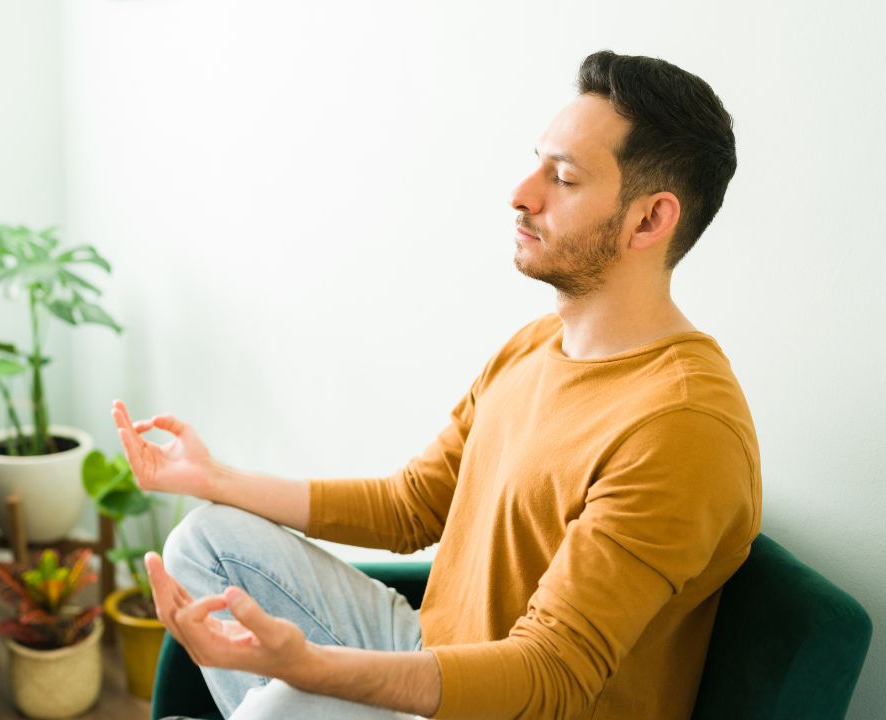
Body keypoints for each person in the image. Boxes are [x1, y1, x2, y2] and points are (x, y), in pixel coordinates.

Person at [111, 49, 760, 720]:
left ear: (650, 220)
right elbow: (410, 505)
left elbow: (552, 677)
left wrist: (305, 671)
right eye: (537, 161)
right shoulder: (536, 345)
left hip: (510, 703)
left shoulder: (681, 427)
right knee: (205, 538)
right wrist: (215, 478)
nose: (521, 192)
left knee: (280, 706)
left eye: (562, 178)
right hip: (430, 652)